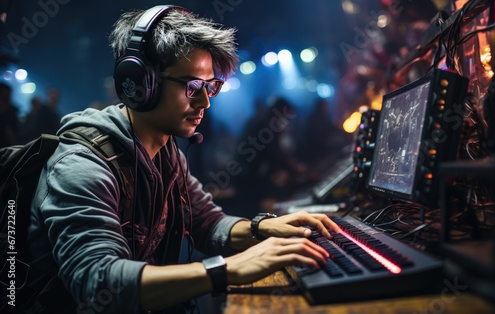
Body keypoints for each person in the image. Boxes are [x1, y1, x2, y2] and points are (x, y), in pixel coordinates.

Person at [23, 5, 340, 314]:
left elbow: (207, 223)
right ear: (140, 82)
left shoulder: (166, 151)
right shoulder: (82, 165)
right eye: (192, 86)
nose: (205, 102)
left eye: (211, 86)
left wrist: (265, 229)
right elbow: (100, 284)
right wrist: (225, 270)